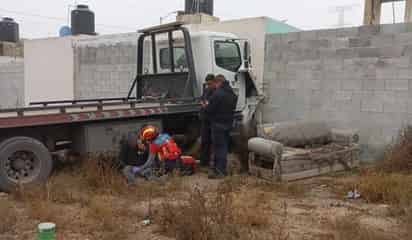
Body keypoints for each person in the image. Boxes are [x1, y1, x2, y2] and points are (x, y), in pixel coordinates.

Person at [203, 75, 238, 179]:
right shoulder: (232, 94)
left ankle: (220, 172)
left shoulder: (217, 94)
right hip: (228, 123)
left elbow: (209, 109)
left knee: (219, 148)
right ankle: (219, 170)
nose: (215, 86)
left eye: (215, 84)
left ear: (218, 82)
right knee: (224, 147)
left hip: (217, 124)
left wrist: (205, 107)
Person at [199, 74, 216, 168]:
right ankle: (203, 162)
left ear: (214, 82)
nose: (208, 86)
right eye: (207, 84)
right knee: (205, 141)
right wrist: (203, 103)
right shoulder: (206, 90)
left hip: (212, 120)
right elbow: (202, 100)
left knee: (213, 142)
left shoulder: (216, 92)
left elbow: (211, 105)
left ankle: (212, 163)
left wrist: (206, 104)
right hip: (205, 119)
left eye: (210, 84)